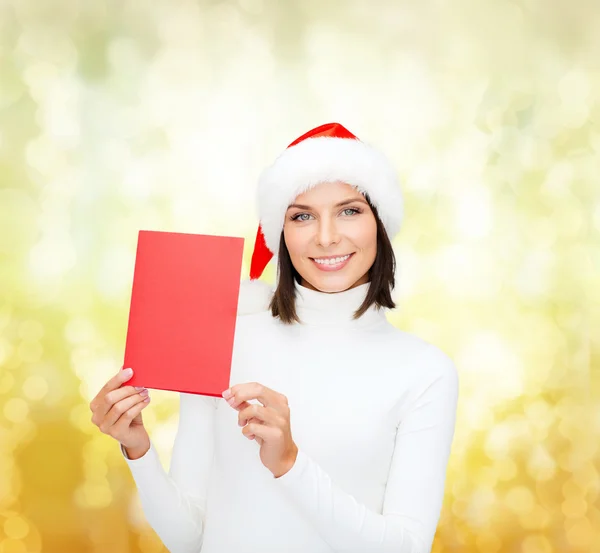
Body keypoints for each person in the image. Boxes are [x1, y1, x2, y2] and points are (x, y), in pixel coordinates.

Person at [89, 122, 460, 553]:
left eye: (349, 210)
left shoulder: (424, 371)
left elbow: (405, 547)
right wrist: (138, 449)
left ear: (379, 221)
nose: (326, 237)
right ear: (280, 232)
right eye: (302, 215)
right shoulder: (225, 336)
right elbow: (189, 539)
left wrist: (289, 464)